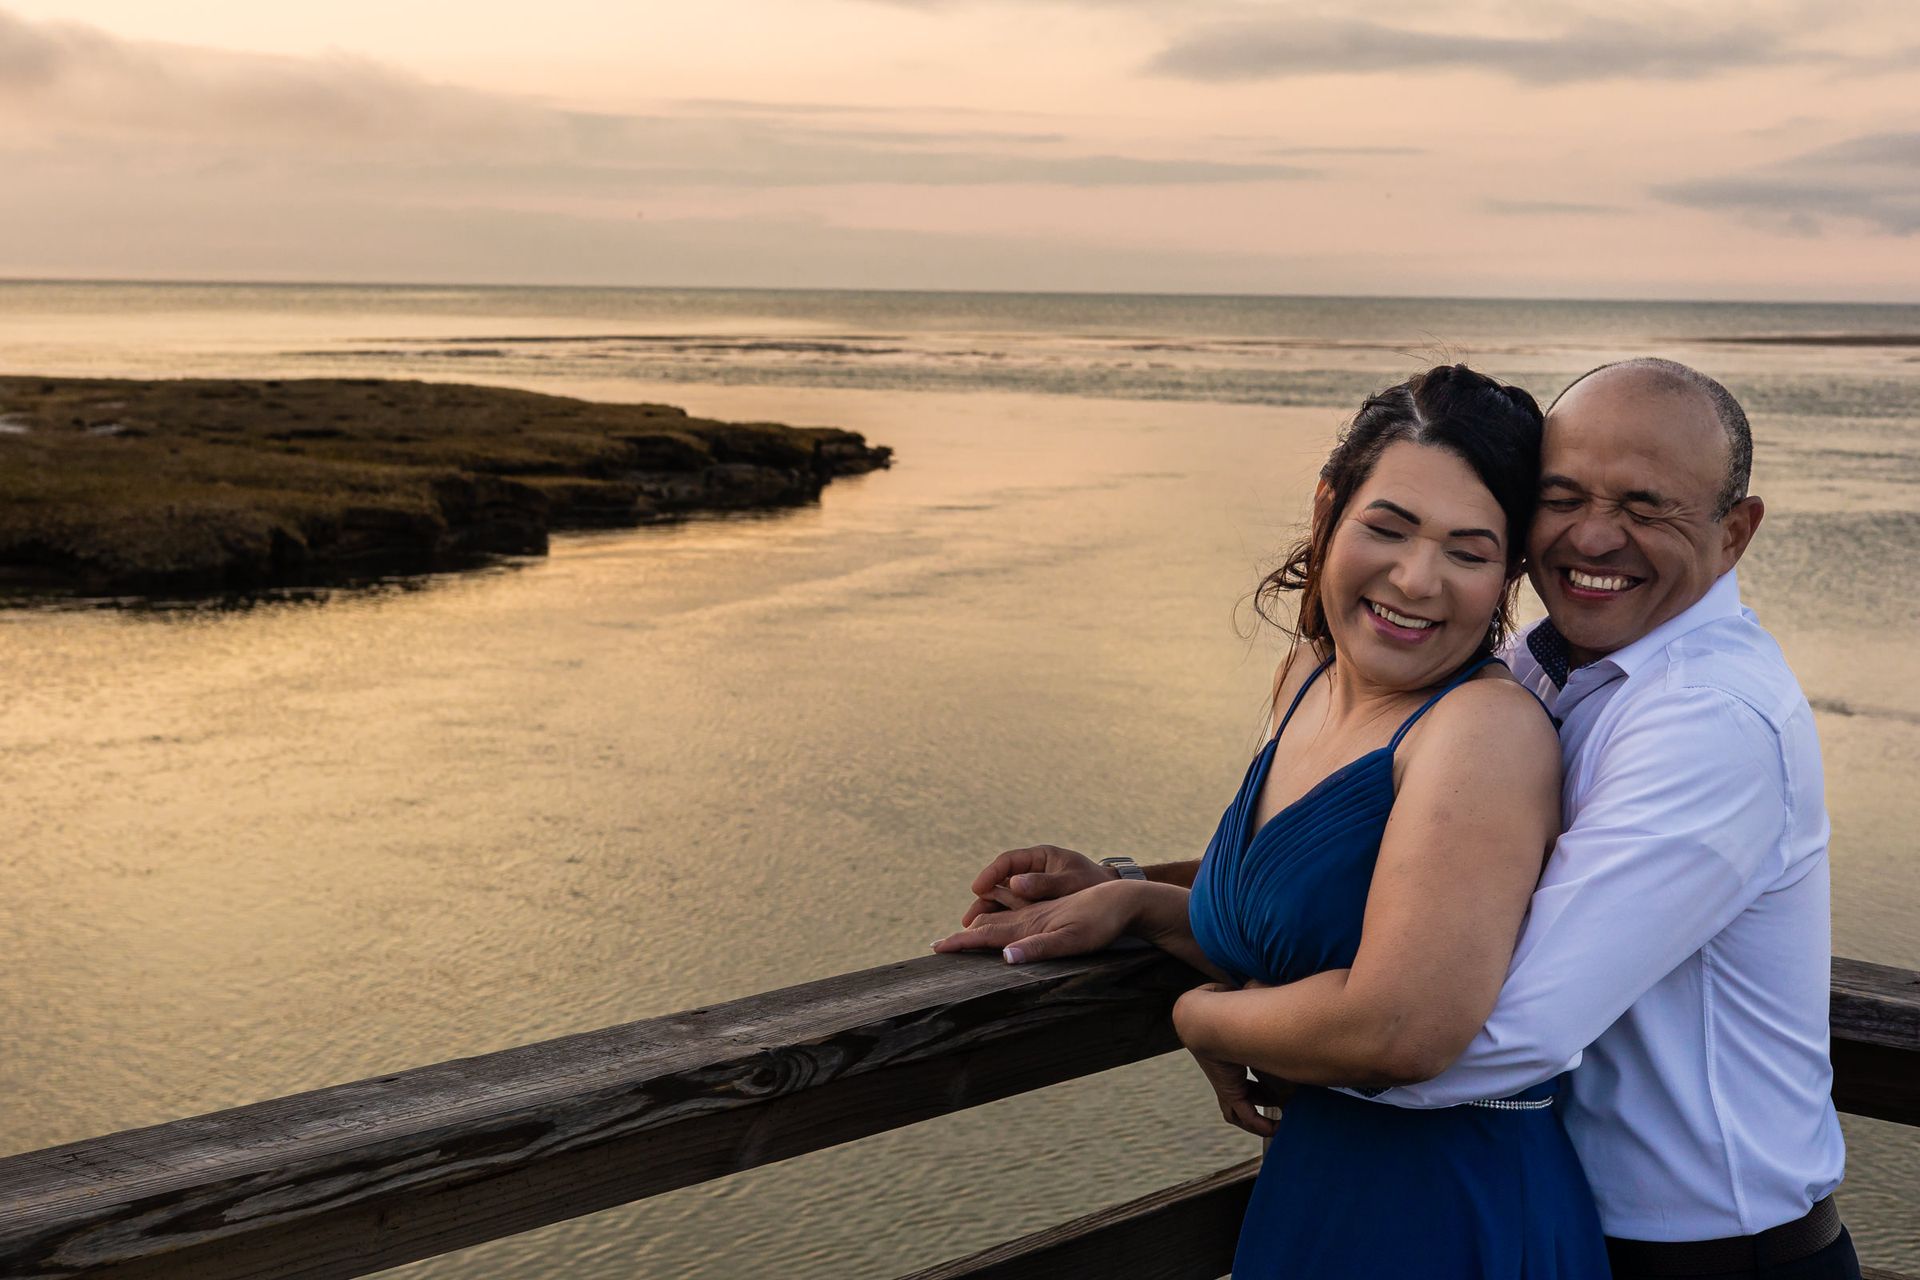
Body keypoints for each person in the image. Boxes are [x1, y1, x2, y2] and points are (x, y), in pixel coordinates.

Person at [941, 358, 1858, 1280]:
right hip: (1493, 1204)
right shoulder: (1545, 663)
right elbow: (1388, 904)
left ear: (1735, 532)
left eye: (1646, 506)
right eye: (1563, 495)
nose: (1592, 535)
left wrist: (1212, 1017)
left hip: (1711, 1254)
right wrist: (1146, 901)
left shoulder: (1708, 723)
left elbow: (1462, 1032)